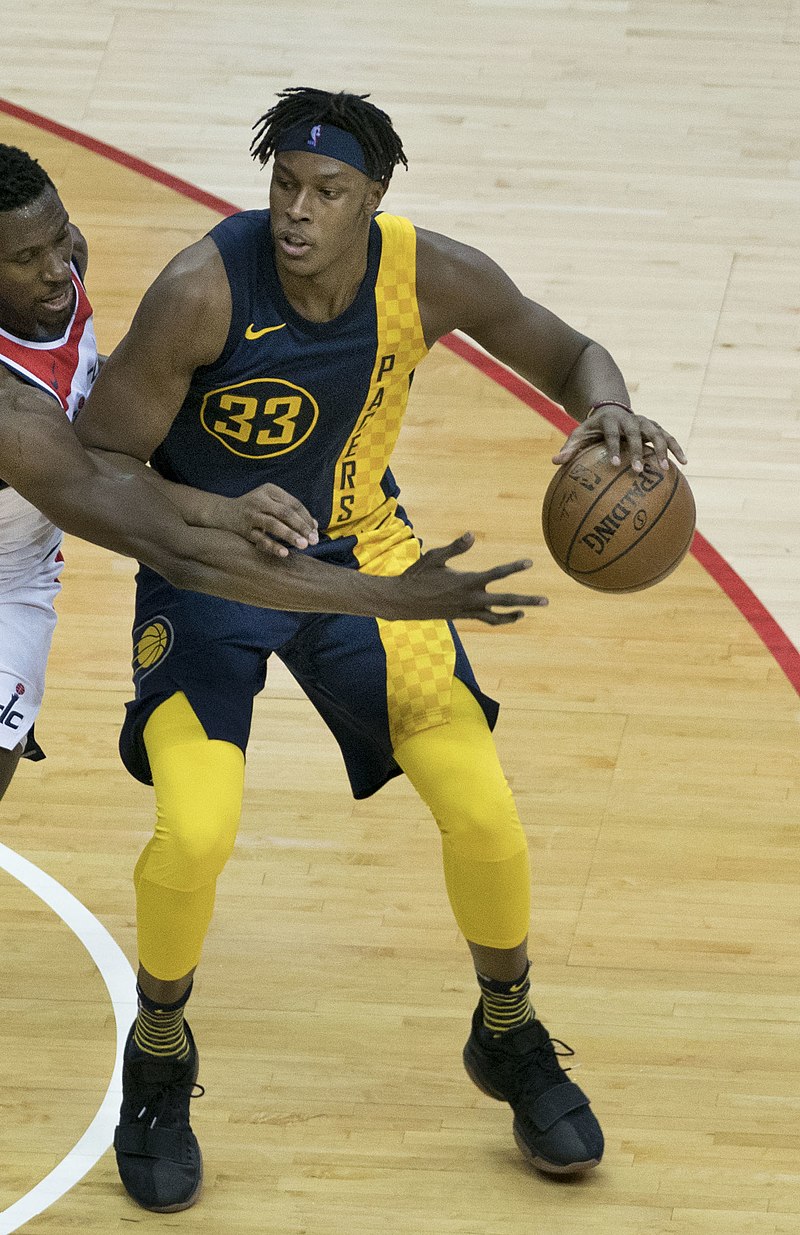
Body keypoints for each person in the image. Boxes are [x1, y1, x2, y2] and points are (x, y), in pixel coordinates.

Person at [75, 88, 687, 1213]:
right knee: (196, 828)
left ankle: (506, 1029)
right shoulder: (201, 290)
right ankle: (158, 1052)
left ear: (374, 198)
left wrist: (605, 409)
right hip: (209, 570)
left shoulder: (428, 273)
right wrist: (214, 515)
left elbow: (570, 351)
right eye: (283, 186)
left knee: (483, 808)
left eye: (327, 191)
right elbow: (96, 467)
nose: (296, 212)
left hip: (365, 550)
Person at [0, 143, 544, 803]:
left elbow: (81, 406)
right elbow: (178, 551)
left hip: (20, 573)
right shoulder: (12, 412)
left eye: (60, 238)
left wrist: (220, 502)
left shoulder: (55, 275)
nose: (58, 267)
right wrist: (391, 598)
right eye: (26, 258)